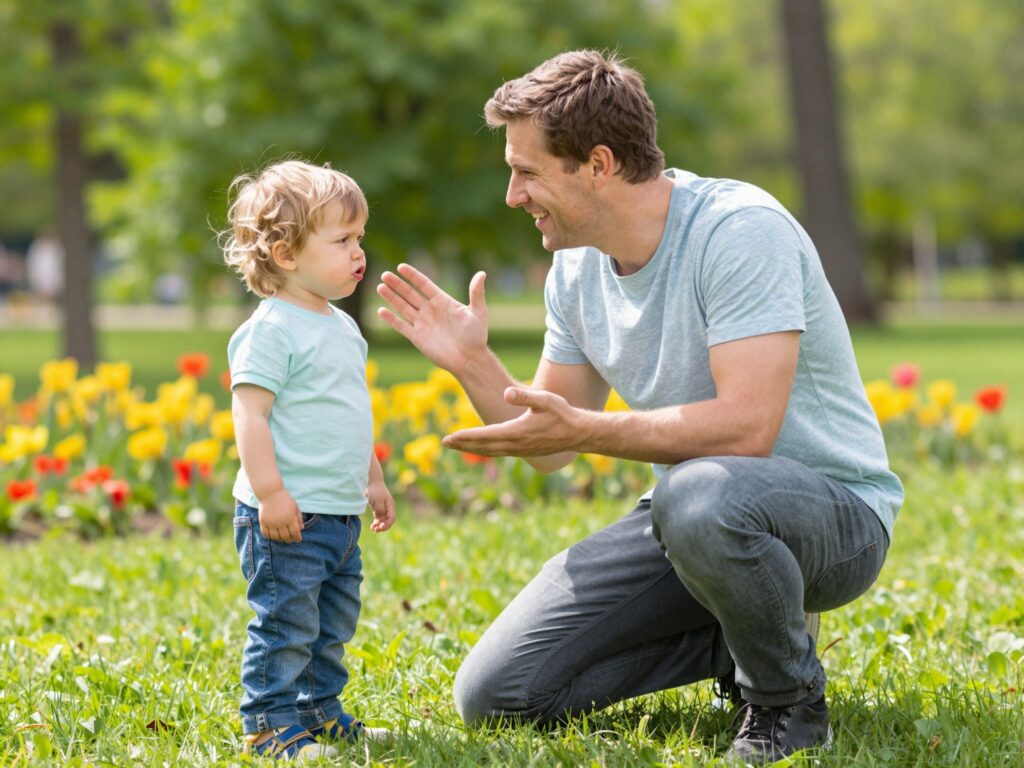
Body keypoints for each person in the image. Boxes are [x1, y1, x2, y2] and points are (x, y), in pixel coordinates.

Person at [376, 50, 902, 763]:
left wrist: (591, 429)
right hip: (696, 516)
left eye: (527, 172)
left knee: (697, 496)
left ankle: (786, 703)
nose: (512, 195)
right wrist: (473, 361)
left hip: (831, 518)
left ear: (597, 163)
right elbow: (557, 440)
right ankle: (745, 636)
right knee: (497, 696)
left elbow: (748, 429)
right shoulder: (574, 265)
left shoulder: (739, 230)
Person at [223, 160, 396, 760]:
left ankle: (319, 712)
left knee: (329, 627)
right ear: (286, 253)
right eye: (343, 239)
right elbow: (251, 416)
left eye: (360, 239)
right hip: (288, 516)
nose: (358, 252)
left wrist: (372, 479)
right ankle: (268, 725)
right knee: (286, 627)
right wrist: (270, 493)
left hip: (339, 514)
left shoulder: (344, 327)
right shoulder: (270, 330)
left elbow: (350, 411)